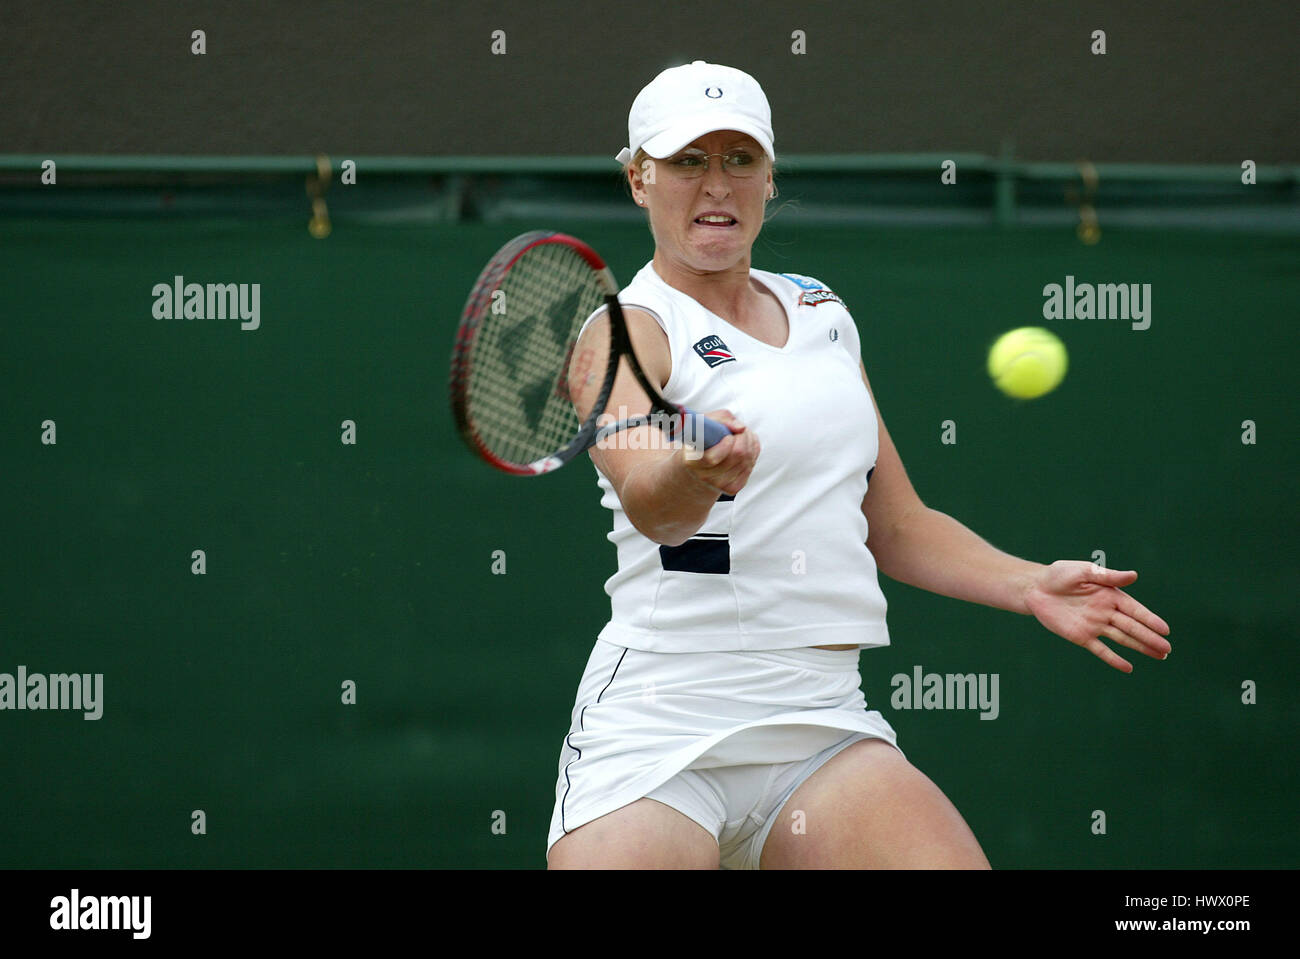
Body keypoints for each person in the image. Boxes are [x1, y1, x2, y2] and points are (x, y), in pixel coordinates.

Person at [545, 61, 1171, 870]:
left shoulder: (821, 312)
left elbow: (897, 522)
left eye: (740, 159)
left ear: (770, 177)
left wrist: (1027, 583)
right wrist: (697, 474)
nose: (717, 185)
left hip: (821, 725)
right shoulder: (622, 333)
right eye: (688, 161)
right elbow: (651, 503)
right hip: (660, 727)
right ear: (639, 178)